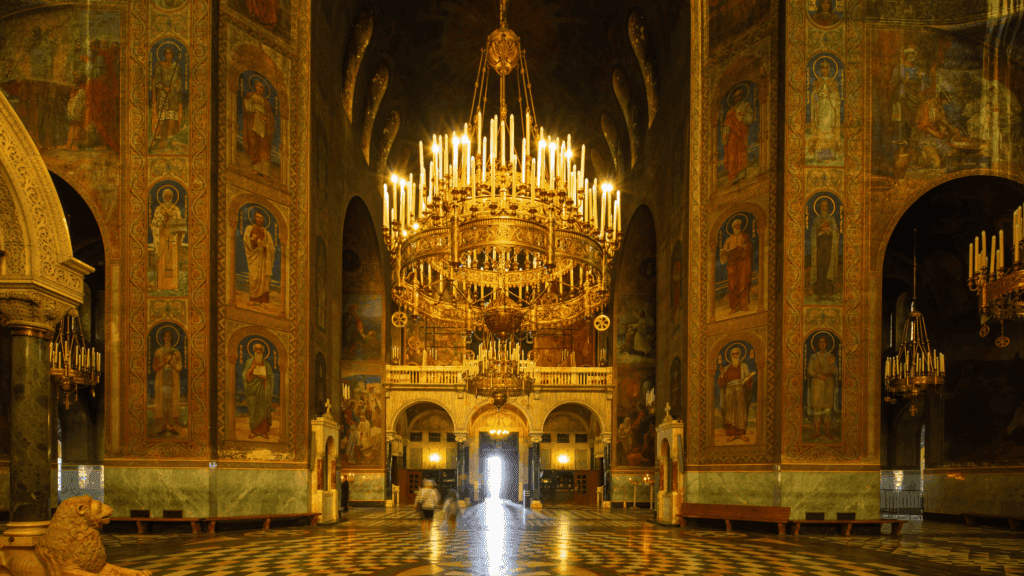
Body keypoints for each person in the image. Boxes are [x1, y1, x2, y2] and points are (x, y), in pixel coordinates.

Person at [718, 346, 756, 442]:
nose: (735, 356)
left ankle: (742, 434)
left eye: (737, 353)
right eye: (733, 354)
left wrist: (748, 379)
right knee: (730, 413)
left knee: (740, 413)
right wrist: (722, 374)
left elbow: (747, 379)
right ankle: (732, 434)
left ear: (740, 355)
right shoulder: (726, 368)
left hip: (740, 391)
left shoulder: (744, 366)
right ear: (731, 356)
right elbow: (722, 383)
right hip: (729, 393)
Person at [151, 187, 186, 291]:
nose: (167, 198)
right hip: (162, 238)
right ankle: (161, 286)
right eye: (166, 196)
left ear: (172, 197)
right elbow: (154, 224)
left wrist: (174, 223)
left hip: (173, 238)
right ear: (162, 197)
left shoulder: (176, 210)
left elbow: (180, 223)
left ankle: (173, 286)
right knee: (162, 261)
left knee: (173, 261)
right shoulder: (158, 209)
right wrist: (162, 221)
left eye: (169, 196)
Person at [806, 335, 838, 440]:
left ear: (827, 344)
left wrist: (832, 364)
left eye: (824, 342)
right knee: (817, 408)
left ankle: (828, 432)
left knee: (828, 409)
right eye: (820, 342)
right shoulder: (813, 357)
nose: (822, 343)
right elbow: (809, 371)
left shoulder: (830, 356)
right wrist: (818, 375)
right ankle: (817, 432)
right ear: (818, 344)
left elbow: (835, 372)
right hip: (817, 383)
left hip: (828, 384)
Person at [151, 329, 183, 436]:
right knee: (163, 402)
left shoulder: (176, 352)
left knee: (172, 403)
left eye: (169, 336)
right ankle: (164, 426)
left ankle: (172, 426)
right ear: (163, 338)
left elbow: (179, 368)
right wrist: (164, 361)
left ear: (172, 338)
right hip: (161, 379)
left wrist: (171, 361)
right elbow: (155, 368)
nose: (168, 338)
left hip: (173, 379)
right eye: (166, 336)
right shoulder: (158, 352)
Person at [809, 58, 841, 162]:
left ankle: (829, 154)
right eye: (823, 68)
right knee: (821, 129)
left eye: (827, 68)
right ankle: (821, 154)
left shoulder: (833, 82)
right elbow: (815, 96)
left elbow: (836, 96)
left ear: (829, 69)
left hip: (830, 107)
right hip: (821, 107)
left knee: (829, 129)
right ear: (821, 69)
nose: (825, 70)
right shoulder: (817, 82)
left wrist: (830, 94)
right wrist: (817, 101)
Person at [151, 46, 183, 150]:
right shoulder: (160, 65)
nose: (168, 56)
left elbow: (178, 80)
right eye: (167, 54)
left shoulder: (176, 66)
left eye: (170, 54)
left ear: (172, 55)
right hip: (163, 95)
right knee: (161, 119)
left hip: (173, 96)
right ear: (164, 55)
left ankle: (169, 143)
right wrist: (164, 88)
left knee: (171, 120)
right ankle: (157, 141)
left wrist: (177, 86)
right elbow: (156, 81)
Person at [720, 218, 753, 313]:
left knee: (743, 283)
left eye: (739, 225)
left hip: (742, 262)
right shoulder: (729, 240)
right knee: (732, 285)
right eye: (735, 225)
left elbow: (749, 246)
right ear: (733, 227)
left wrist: (743, 247)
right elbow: (724, 251)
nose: (737, 227)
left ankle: (743, 305)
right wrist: (725, 251)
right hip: (732, 264)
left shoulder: (744, 236)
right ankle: (734, 306)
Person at [243, 210, 276, 306]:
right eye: (257, 217)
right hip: (254, 256)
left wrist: (265, 246)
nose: (259, 219)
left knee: (263, 279)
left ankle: (262, 301)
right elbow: (246, 240)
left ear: (264, 220)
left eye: (261, 218)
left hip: (263, 258)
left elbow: (272, 247)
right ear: (254, 217)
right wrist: (253, 240)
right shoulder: (249, 228)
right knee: (254, 278)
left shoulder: (267, 233)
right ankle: (253, 299)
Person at [243, 78, 275, 176]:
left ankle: (265, 171)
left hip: (263, 125)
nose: (259, 89)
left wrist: (265, 118)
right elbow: (246, 108)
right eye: (258, 86)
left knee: (263, 147)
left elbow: (271, 117)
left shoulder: (266, 103)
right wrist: (254, 111)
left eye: (262, 87)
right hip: (253, 122)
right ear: (255, 86)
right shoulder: (250, 96)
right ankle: (255, 167)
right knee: (254, 144)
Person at [242, 341, 274, 439]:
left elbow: (271, 377)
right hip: (252, 391)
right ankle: (254, 431)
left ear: (263, 351)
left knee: (263, 410)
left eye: (260, 350)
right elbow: (244, 376)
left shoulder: (267, 364)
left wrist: (265, 378)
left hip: (263, 391)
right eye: (257, 349)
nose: (258, 351)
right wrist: (251, 369)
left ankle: (264, 431)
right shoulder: (249, 362)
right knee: (253, 410)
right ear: (254, 350)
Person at [722, 89, 754, 184]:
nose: (737, 98)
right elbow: (727, 124)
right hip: (732, 137)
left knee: (741, 154)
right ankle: (732, 177)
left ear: (741, 96)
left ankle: (741, 176)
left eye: (739, 95)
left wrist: (744, 114)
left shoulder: (746, 105)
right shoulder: (730, 112)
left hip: (741, 134)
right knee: (732, 156)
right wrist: (725, 134)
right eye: (735, 97)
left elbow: (750, 118)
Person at [809, 197, 838, 300]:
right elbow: (813, 233)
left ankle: (829, 293)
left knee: (828, 268)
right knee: (820, 269)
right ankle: (820, 294)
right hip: (820, 247)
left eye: (825, 205)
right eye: (822, 206)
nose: (824, 207)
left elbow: (836, 233)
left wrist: (829, 229)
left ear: (828, 207)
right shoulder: (817, 219)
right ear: (819, 207)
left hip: (829, 247)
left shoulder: (831, 219)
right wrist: (820, 228)